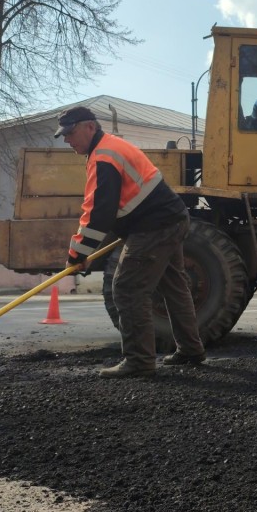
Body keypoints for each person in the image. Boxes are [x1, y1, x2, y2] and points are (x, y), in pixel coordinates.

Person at [55, 106, 206, 378]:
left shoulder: (103, 157)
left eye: (70, 133)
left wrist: (76, 256)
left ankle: (139, 360)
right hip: (171, 219)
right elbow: (115, 209)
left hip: (155, 227)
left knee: (126, 288)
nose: (67, 140)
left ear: (90, 127)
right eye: (64, 135)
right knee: (174, 286)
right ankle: (191, 350)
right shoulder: (110, 147)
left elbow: (98, 214)